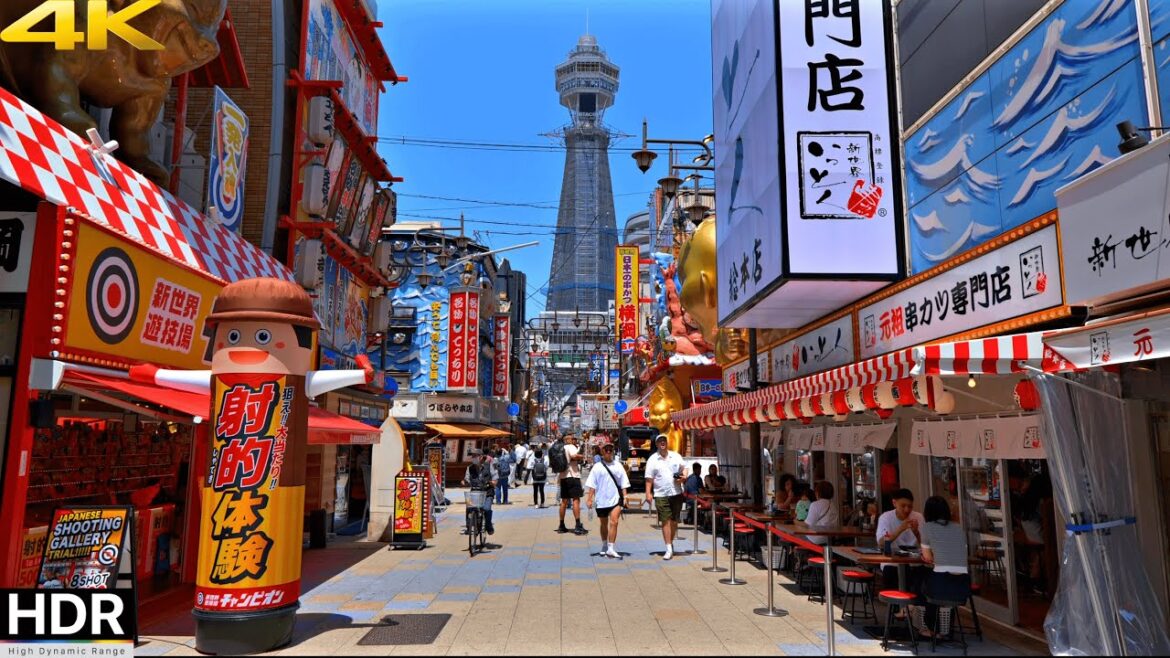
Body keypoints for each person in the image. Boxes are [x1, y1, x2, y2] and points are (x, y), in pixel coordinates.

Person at [909, 496, 971, 638]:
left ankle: (930, 627)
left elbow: (928, 557)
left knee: (920, 577)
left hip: (940, 587)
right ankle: (945, 628)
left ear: (927, 512)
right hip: (962, 587)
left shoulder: (927, 527)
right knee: (931, 579)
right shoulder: (958, 528)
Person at [584, 439, 630, 559]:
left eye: (611, 449)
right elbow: (592, 485)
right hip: (601, 500)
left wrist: (625, 497)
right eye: (606, 450)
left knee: (614, 522)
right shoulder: (597, 467)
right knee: (603, 524)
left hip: (615, 499)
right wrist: (589, 499)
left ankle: (611, 548)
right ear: (602, 452)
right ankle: (604, 544)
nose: (609, 451)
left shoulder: (618, 465)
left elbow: (623, 482)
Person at [644, 433, 687, 560]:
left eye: (664, 441)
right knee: (665, 520)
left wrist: (684, 476)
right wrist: (648, 493)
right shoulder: (652, 459)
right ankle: (668, 547)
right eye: (660, 441)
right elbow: (649, 479)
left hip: (676, 492)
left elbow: (684, 468)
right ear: (657, 444)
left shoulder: (676, 456)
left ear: (667, 443)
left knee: (674, 521)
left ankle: (670, 542)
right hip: (661, 494)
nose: (662, 443)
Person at [876, 488, 926, 590]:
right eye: (903, 506)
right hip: (892, 563)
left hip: (914, 563)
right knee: (892, 575)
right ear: (894, 503)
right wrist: (900, 529)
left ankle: (914, 604)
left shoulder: (918, 517)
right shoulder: (886, 517)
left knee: (922, 578)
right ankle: (897, 605)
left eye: (910, 506)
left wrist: (916, 533)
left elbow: (926, 545)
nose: (907, 510)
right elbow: (881, 543)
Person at [556, 434, 587, 535]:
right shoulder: (570, 447)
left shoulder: (561, 448)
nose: (574, 440)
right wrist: (583, 456)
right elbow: (574, 456)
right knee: (576, 500)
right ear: (568, 440)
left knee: (564, 502)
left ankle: (561, 525)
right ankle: (578, 525)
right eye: (573, 438)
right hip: (573, 476)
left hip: (563, 477)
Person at [461, 451, 495, 534]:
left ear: (481, 457)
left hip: (487, 492)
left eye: (475, 456)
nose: (473, 458)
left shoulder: (489, 466)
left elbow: (495, 477)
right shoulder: (469, 468)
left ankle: (488, 526)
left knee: (486, 509)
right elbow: (467, 478)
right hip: (475, 492)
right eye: (472, 456)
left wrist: (493, 482)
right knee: (469, 508)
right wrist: (464, 482)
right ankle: (469, 526)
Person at [800, 480, 839, 545]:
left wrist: (795, 522)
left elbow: (807, 524)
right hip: (829, 540)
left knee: (791, 536)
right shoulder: (833, 506)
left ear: (818, 493)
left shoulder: (815, 505)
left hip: (814, 539)